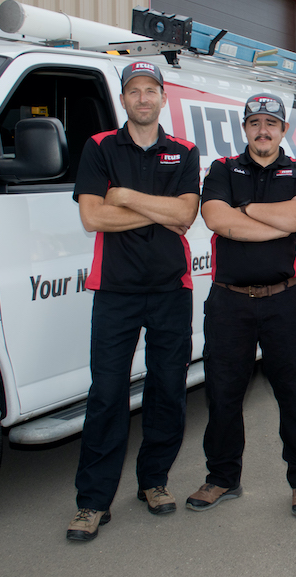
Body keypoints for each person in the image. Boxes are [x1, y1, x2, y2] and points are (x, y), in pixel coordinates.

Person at [67, 61, 201, 541]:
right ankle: (92, 502)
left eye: (151, 91)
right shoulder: (100, 147)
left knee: (168, 389)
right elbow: (92, 217)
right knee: (106, 395)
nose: (143, 99)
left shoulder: (183, 150)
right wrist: (155, 211)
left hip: (171, 289)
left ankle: (155, 482)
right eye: (134, 91)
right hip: (116, 291)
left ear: (163, 98)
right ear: (123, 99)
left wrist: (123, 196)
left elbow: (186, 213)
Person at [186, 94, 296, 517]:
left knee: (295, 395)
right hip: (230, 303)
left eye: (271, 123)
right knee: (224, 396)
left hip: (286, 300)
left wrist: (246, 210)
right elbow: (216, 220)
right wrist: (277, 221)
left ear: (284, 130)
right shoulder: (222, 169)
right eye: (254, 123)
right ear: (245, 128)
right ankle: (222, 478)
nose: (263, 131)